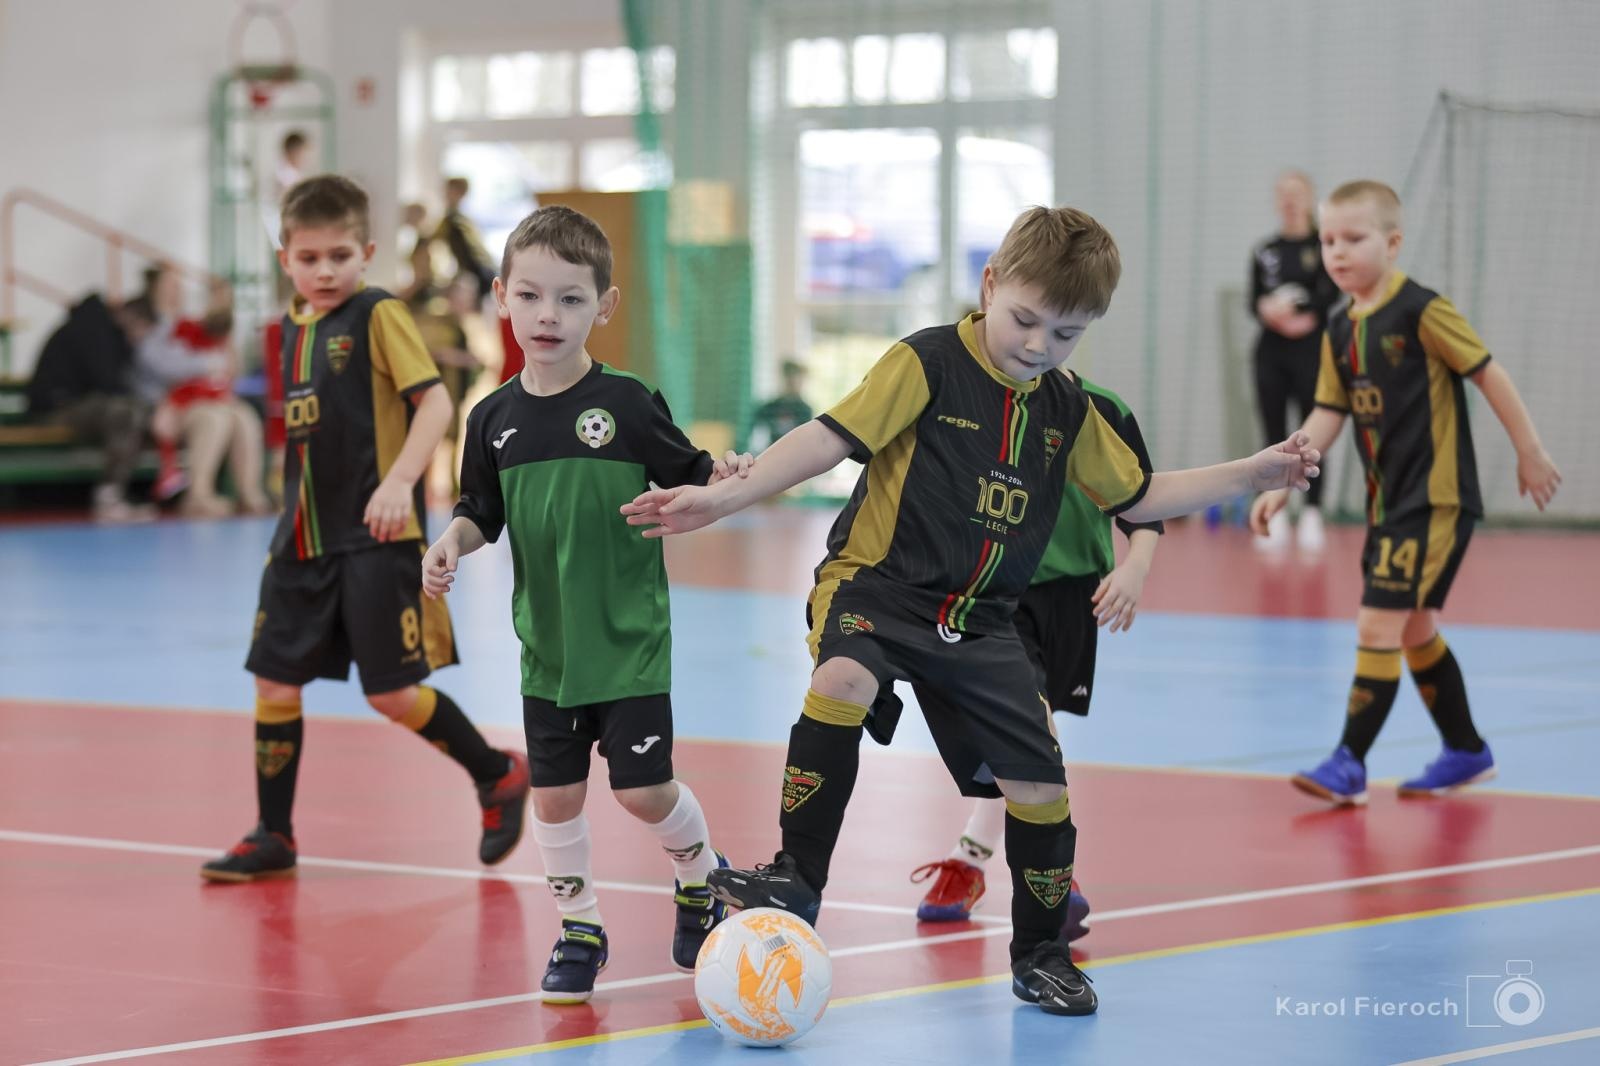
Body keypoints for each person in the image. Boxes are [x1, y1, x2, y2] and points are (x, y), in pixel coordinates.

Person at [622, 206, 1320, 1016]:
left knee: (1040, 783)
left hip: (983, 621)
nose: (1037, 345)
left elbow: (1142, 494)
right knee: (844, 676)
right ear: (990, 285)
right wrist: (725, 498)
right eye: (1024, 320)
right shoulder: (925, 362)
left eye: (1064, 334)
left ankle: (1040, 954)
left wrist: (1253, 473)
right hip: (879, 587)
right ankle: (796, 876)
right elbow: (825, 437)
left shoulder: (1067, 411)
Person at [422, 206, 755, 1004]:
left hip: (629, 638)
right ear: (501, 297)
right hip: (549, 647)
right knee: (557, 794)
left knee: (642, 792)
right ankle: (579, 930)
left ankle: (699, 879)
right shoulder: (492, 418)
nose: (548, 315)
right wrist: (451, 542)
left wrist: (732, 473)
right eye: (531, 296)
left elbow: (696, 469)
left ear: (603, 306)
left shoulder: (631, 404)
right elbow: (481, 510)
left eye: (570, 299)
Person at [200, 175, 530, 882]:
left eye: (341, 255)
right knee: (273, 685)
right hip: (298, 540)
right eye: (310, 256)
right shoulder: (289, 328)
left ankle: (497, 773)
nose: (325, 270)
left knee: (389, 695)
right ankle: (273, 834)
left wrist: (399, 482)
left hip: (375, 540)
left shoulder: (378, 314)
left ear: (367, 253)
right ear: (285, 257)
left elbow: (437, 406)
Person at [1251, 180, 1560, 805]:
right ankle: (1466, 750)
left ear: (1392, 244)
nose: (1337, 252)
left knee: (1378, 620)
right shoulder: (1340, 329)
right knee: (1415, 627)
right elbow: (1327, 414)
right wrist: (1284, 475)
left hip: (1436, 498)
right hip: (1388, 503)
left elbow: (1487, 372)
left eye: (1354, 239)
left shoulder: (1422, 311)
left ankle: (1350, 762)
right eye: (1329, 240)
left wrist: (1530, 451)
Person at [911, 364, 1162, 941]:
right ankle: (1053, 877)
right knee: (1025, 719)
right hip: (995, 591)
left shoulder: (1103, 406)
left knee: (1029, 738)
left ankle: (972, 858)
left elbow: (1145, 503)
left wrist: (1135, 568)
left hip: (1075, 593)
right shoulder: (970, 403)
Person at [1250, 170, 1339, 552]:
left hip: (1312, 352)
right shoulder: (1264, 250)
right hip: (1271, 353)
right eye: (1283, 195)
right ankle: (1276, 511)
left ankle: (1313, 513)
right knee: (1274, 431)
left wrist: (1301, 315)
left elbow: (1330, 295)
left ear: (1309, 199)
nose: (1290, 202)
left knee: (1314, 432)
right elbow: (1254, 299)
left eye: (1297, 195)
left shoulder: (1324, 246)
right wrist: (1269, 311)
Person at [24, 294, 154, 522]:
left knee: (131, 410)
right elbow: (108, 385)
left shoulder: (101, 329)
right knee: (126, 412)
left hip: (73, 406)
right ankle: (109, 497)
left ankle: (117, 494)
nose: (140, 338)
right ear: (130, 318)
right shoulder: (96, 331)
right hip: (55, 409)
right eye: (142, 330)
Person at [433, 177, 498, 300]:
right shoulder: (453, 218)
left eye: (449, 190)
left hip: (479, 274)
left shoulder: (457, 221)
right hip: (474, 273)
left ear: (460, 193)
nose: (445, 194)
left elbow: (473, 253)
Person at [748, 358, 813, 452]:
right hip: (769, 454)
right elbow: (756, 435)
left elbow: (806, 441)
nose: (794, 382)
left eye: (798, 379)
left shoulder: (805, 410)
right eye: (790, 378)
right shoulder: (768, 408)